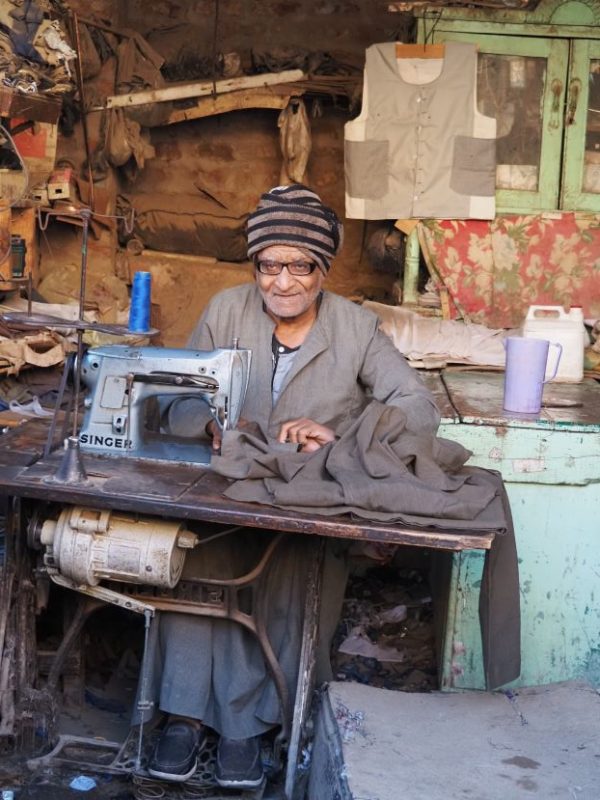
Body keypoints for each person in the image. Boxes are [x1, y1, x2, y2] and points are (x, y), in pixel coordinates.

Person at [145, 184, 440, 789]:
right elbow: (174, 393)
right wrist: (210, 424)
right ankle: (181, 718)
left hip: (307, 502)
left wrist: (341, 433)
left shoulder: (356, 328)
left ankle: (247, 727)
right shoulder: (226, 310)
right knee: (195, 566)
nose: (283, 281)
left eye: (300, 266)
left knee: (283, 581)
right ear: (255, 266)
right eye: (269, 265)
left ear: (322, 269)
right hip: (225, 491)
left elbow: (417, 408)